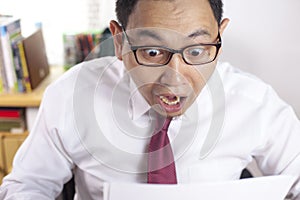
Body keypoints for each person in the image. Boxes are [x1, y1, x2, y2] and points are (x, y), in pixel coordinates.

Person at [1, 0, 300, 199]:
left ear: (219, 39)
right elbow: (27, 186)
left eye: (196, 51)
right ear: (119, 41)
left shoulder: (255, 102)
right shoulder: (71, 96)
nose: (175, 78)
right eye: (152, 52)